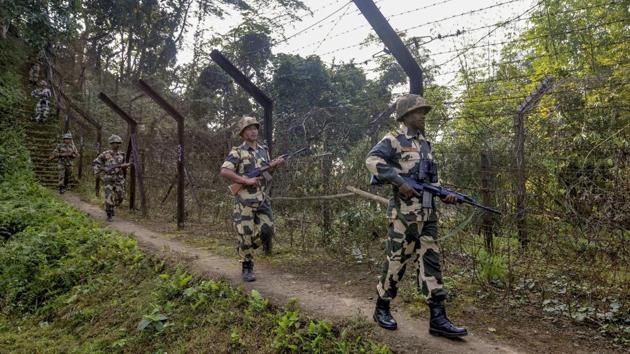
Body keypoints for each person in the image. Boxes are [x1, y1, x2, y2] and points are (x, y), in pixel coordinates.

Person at [365, 94, 468, 338]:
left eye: (423, 111)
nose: (423, 115)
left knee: (431, 263)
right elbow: (371, 160)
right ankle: (382, 307)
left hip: (428, 214)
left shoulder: (425, 144)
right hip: (404, 216)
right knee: (397, 261)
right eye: (419, 111)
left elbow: (430, 180)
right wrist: (399, 182)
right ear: (406, 116)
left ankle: (438, 318)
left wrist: (445, 194)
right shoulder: (394, 140)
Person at [219, 116, 285, 282]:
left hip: (262, 199)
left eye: (255, 128)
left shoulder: (263, 150)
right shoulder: (237, 151)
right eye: (249, 129)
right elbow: (225, 171)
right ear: (243, 133)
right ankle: (247, 265)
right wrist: (245, 180)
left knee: (267, 230)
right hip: (245, 201)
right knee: (246, 233)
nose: (253, 131)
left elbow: (267, 174)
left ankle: (244, 247)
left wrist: (274, 166)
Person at [93, 134, 130, 222]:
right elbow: (95, 162)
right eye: (115, 143)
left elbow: (124, 166)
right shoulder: (105, 154)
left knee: (120, 196)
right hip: (108, 178)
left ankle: (112, 206)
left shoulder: (122, 154)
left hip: (119, 178)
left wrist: (125, 166)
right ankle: (109, 213)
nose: (117, 145)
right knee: (108, 196)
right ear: (111, 144)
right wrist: (103, 168)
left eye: (118, 143)